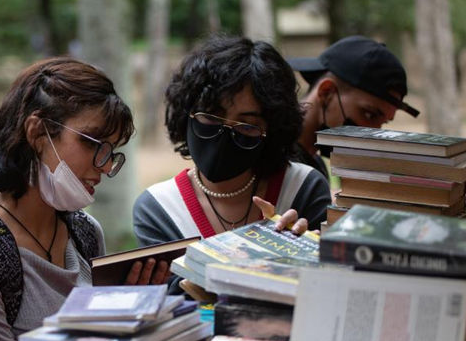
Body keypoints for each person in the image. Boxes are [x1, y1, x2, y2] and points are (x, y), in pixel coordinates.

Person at [0, 58, 168, 341]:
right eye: (94, 143)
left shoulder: (85, 231)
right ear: (36, 133)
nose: (107, 165)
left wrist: (132, 316)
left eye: (112, 151)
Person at [133, 35, 331, 252]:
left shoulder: (302, 189)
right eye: (210, 116)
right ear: (186, 113)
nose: (225, 133)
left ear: (273, 130)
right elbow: (173, 287)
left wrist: (307, 254)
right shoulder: (160, 209)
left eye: (246, 125)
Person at [287, 35, 421, 178]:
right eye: (369, 115)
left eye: (383, 123)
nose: (374, 133)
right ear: (327, 92)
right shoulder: (272, 161)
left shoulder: (314, 167)